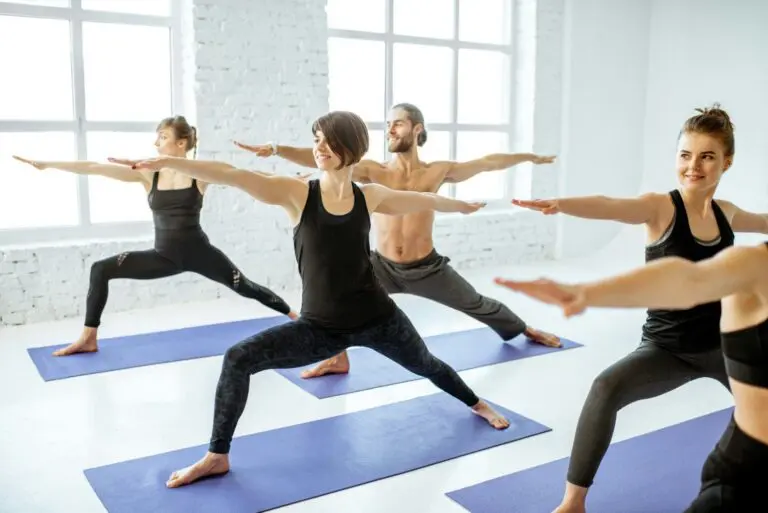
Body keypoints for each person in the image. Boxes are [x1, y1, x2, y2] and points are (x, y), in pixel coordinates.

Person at [116, 110, 511, 488]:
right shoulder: (296, 193)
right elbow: (232, 175)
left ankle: (477, 403)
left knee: (426, 364)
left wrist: (459, 205)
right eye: (316, 139)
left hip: (378, 317)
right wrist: (166, 163)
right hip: (320, 328)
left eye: (328, 141)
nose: (319, 147)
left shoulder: (367, 195)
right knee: (238, 358)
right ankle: (217, 455)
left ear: (351, 148)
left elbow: (422, 201)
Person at [500, 104, 768, 513]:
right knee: (605, 388)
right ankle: (573, 503)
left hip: (721, 350)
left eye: (707, 156)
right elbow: (610, 204)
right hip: (666, 348)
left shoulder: (726, 213)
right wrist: (561, 203)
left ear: (726, 162)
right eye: (685, 155)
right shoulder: (660, 207)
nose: (693, 165)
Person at [233, 102, 561, 379]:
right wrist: (277, 149)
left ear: (417, 130)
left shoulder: (438, 171)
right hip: (380, 266)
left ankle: (522, 329)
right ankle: (338, 357)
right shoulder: (374, 170)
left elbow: (489, 163)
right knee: (339, 300)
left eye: (398, 124)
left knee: (475, 302)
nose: (390, 130)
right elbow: (324, 153)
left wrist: (529, 158)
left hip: (427, 268)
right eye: (388, 124)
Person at [495, 242, 768, 512]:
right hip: (745, 474)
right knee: (606, 386)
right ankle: (572, 502)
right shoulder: (756, 263)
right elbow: (689, 280)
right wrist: (585, 292)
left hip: (717, 354)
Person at [11, 115, 298, 357]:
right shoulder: (149, 175)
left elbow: (243, 175)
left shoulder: (199, 174)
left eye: (162, 137)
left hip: (200, 253)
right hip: (163, 256)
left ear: (181, 143)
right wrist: (47, 164)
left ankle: (295, 317)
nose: (155, 143)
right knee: (100, 269)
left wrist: (291, 182)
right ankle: (89, 337)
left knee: (245, 286)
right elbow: (95, 168)